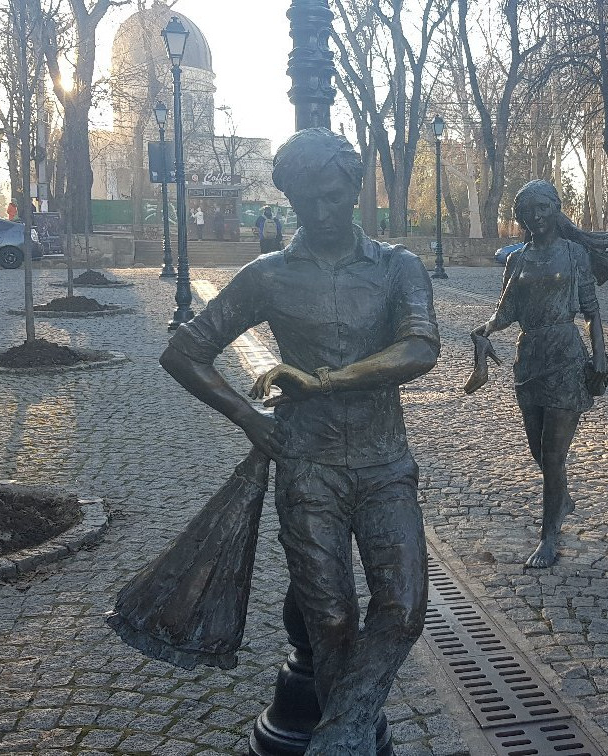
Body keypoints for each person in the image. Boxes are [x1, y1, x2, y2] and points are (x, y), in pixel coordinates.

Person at [159, 128, 439, 755]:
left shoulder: (398, 267)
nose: (321, 211)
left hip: (385, 464)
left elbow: (421, 347)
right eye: (305, 199)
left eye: (333, 195)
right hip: (308, 468)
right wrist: (249, 419)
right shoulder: (268, 276)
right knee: (331, 619)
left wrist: (325, 380)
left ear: (354, 189)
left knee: (404, 607)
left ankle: (339, 734)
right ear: (287, 197)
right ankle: (350, 741)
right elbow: (185, 352)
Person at [466, 179, 608, 569]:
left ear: (556, 209)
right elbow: (505, 311)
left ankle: (548, 537)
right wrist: (485, 330)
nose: (536, 216)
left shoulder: (574, 253)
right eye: (528, 211)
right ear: (521, 217)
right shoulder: (517, 260)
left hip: (566, 357)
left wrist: (600, 355)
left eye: (543, 207)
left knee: (552, 455)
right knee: (538, 451)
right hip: (529, 359)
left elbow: (591, 310)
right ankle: (561, 500)